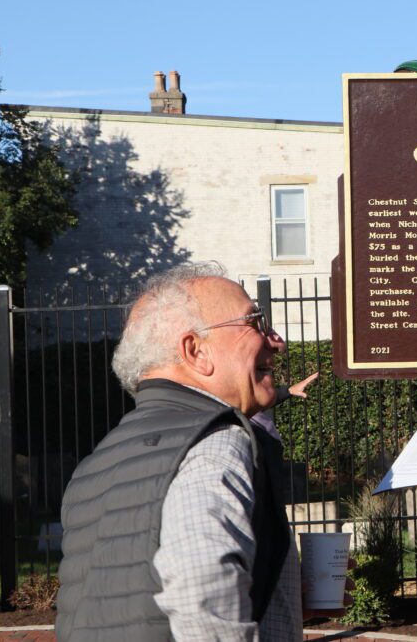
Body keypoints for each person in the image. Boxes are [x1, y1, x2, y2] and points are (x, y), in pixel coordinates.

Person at [56, 263, 346, 641]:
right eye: (254, 321)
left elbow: (124, 602)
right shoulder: (215, 440)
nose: (277, 341)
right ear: (196, 351)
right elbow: (201, 592)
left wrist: (271, 594)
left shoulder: (97, 462)